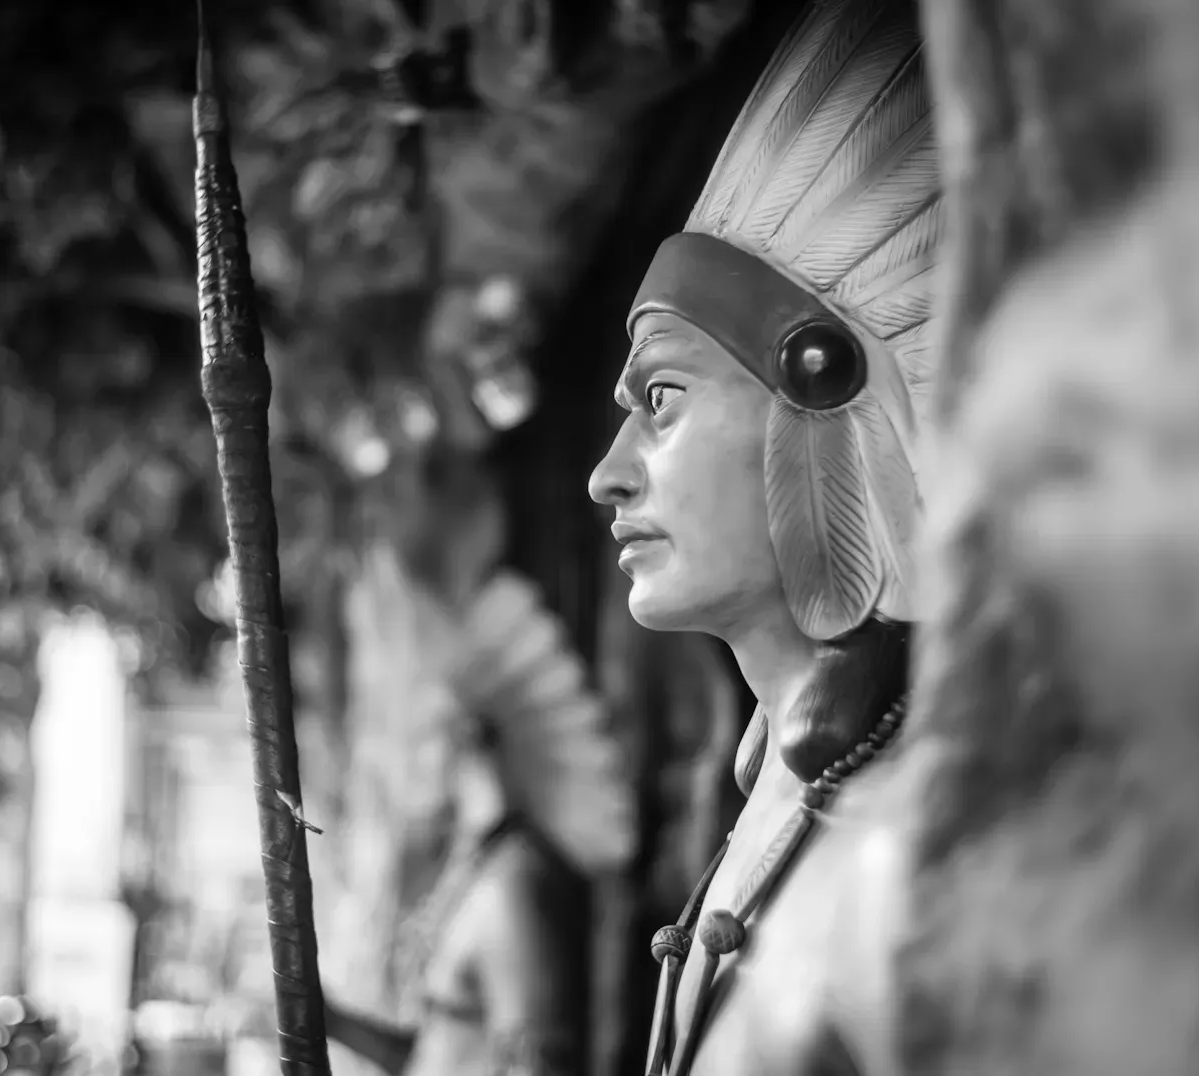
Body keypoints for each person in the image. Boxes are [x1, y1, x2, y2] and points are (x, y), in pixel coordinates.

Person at [587, 1, 937, 1073]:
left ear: (817, 396)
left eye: (661, 398)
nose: (607, 474)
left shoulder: (918, 848)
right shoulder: (786, 796)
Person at [322, 555, 635, 1076]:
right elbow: (438, 1053)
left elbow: (537, 1066)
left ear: (465, 736)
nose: (408, 758)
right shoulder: (474, 870)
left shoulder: (513, 882)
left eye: (422, 735)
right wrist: (329, 1019)